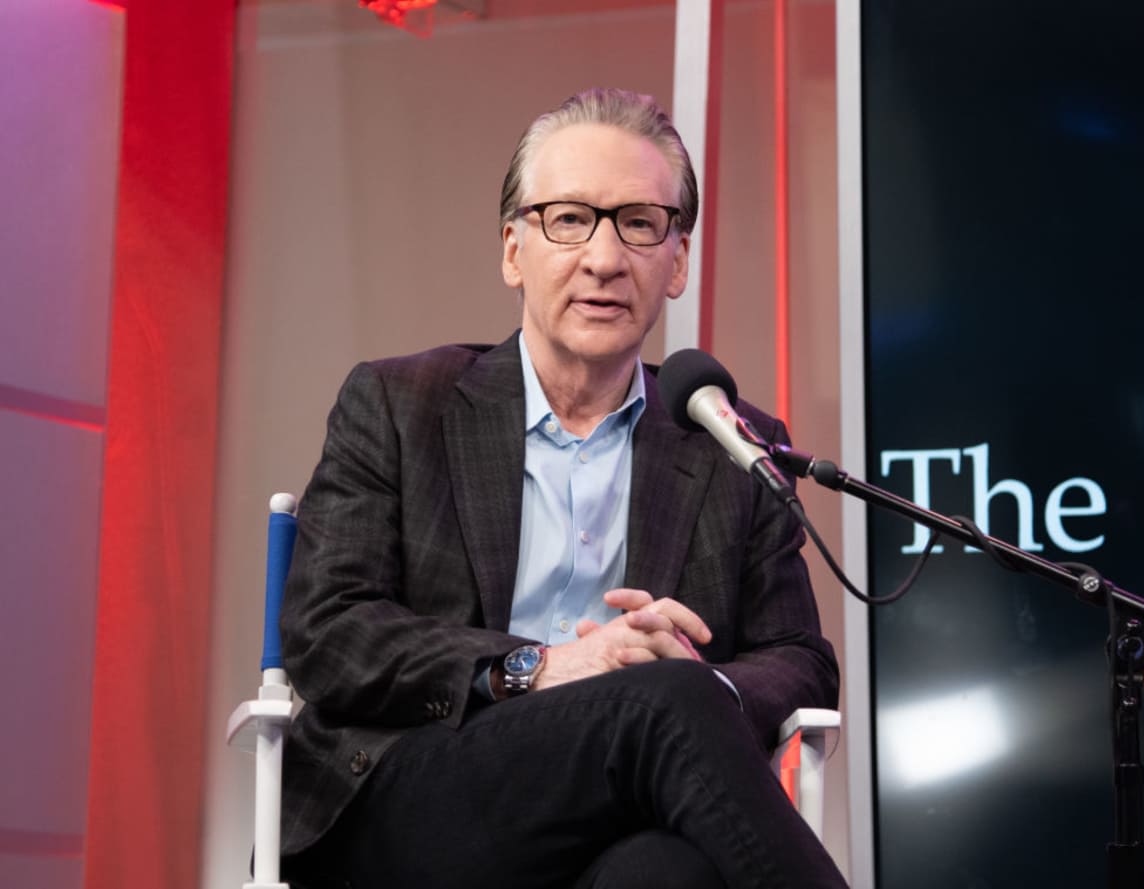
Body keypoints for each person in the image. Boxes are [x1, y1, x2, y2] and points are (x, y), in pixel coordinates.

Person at [277, 87, 848, 889]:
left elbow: (798, 658)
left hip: (620, 816)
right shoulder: (402, 404)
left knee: (669, 872)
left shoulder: (728, 441)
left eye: (640, 223)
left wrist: (704, 676)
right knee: (665, 702)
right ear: (513, 249)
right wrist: (544, 667)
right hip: (415, 797)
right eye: (569, 218)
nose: (605, 258)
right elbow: (328, 632)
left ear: (677, 260)